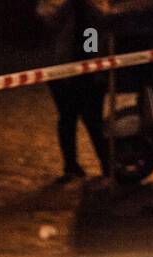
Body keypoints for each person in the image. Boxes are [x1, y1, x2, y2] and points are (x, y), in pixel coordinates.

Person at [38, 0, 109, 182]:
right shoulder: (58, 7)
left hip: (88, 73)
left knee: (93, 120)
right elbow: (47, 19)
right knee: (68, 118)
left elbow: (95, 34)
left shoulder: (92, 9)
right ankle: (71, 165)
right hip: (62, 72)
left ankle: (107, 164)